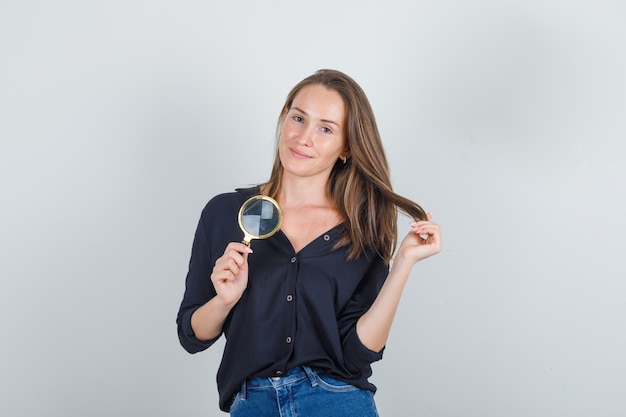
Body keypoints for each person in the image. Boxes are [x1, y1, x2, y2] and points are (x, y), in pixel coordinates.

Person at [177, 69, 442, 416]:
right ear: (284, 117)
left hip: (336, 398)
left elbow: (358, 353)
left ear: (346, 147)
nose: (304, 138)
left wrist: (403, 263)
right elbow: (191, 336)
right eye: (299, 118)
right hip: (253, 403)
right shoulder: (224, 212)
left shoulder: (362, 229)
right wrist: (225, 301)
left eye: (326, 128)